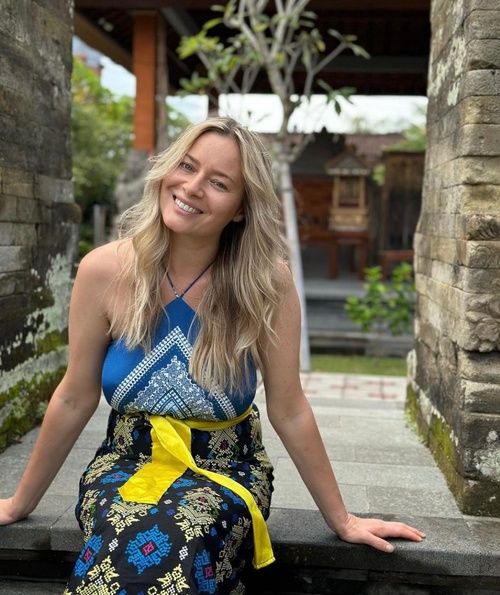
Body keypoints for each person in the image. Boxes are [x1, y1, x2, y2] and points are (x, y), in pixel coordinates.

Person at [0, 117, 424, 593]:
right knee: (126, 530)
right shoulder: (104, 271)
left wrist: (342, 519)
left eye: (219, 183)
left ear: (241, 209)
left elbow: (289, 409)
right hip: (125, 463)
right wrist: (18, 503)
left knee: (182, 536)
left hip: (225, 469)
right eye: (187, 166)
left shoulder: (266, 284)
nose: (192, 187)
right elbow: (74, 397)